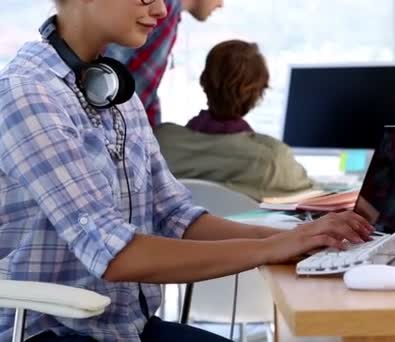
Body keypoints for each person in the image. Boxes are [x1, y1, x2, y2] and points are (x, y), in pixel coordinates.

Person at [0, 1, 372, 341]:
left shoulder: (113, 92)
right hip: (51, 333)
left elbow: (175, 214)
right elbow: (115, 255)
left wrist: (299, 238)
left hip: (126, 328)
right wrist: (272, 247)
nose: (161, 10)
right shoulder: (28, 95)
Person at [154, 40, 316, 201]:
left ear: (203, 80)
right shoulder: (272, 159)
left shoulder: (158, 142)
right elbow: (315, 197)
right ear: (259, 92)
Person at [105, 0, 224, 127]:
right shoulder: (161, 8)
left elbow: (146, 87)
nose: (221, 4)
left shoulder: (169, 12)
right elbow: (106, 63)